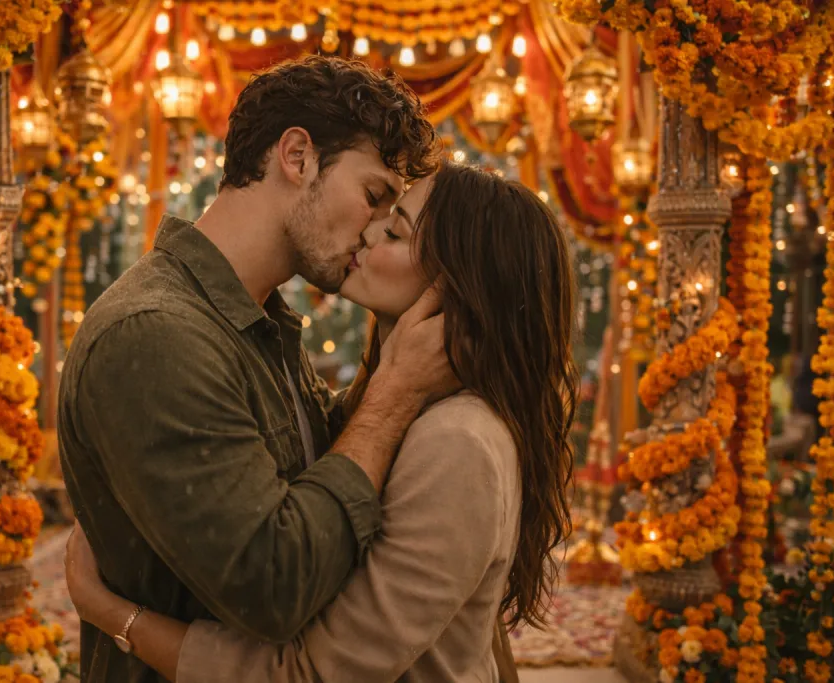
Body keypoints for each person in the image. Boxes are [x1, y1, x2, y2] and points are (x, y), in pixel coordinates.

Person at [64, 162, 580, 683]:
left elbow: (312, 674)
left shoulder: (457, 441)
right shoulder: (412, 407)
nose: (369, 230)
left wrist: (114, 615)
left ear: (455, 293)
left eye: (395, 229)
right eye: (374, 202)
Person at [57, 55, 457, 683]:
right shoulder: (157, 335)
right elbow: (272, 588)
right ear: (296, 157)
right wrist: (395, 392)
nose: (377, 230)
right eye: (374, 195)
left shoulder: (253, 318)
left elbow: (320, 464)